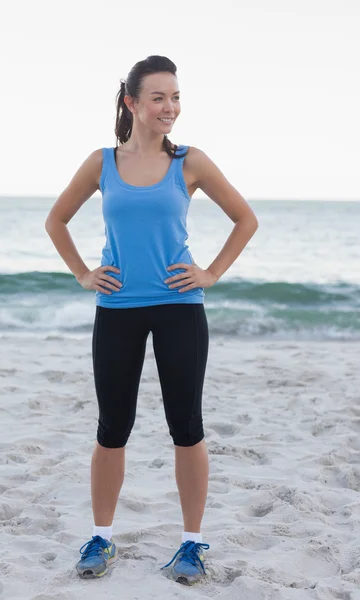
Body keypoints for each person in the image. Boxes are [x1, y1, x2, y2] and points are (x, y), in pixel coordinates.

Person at [45, 54, 259, 586]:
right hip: (116, 309)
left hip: (178, 309)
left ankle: (190, 545)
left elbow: (245, 219)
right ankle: (101, 537)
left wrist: (209, 272)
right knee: (112, 429)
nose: (170, 107)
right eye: (159, 97)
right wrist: (83, 273)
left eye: (177, 97)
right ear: (132, 102)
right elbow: (56, 220)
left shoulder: (191, 161)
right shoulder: (102, 163)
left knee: (186, 428)